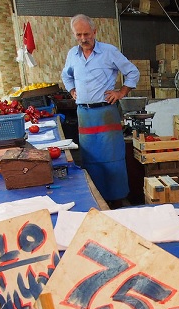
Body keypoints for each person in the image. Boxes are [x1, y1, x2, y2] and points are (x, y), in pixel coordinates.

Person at [61, 14, 139, 209]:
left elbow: (132, 72)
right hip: (84, 115)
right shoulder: (73, 54)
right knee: (91, 159)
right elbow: (66, 75)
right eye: (78, 35)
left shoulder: (109, 52)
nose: (83, 38)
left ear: (94, 32)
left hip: (106, 113)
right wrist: (71, 90)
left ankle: (117, 200)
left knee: (113, 158)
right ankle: (96, 199)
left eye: (86, 34)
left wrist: (121, 92)